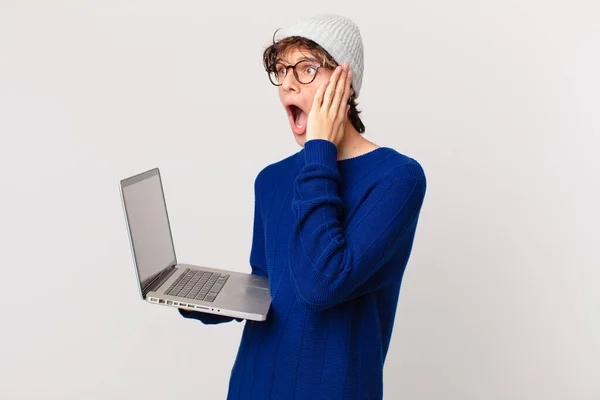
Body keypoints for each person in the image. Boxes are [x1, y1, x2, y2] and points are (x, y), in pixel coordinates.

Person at [179, 14, 427, 400]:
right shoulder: (271, 180)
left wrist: (319, 152)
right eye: (282, 70)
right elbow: (270, 284)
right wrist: (212, 298)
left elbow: (321, 283)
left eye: (307, 68)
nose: (289, 82)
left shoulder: (398, 178)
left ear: (344, 83)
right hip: (252, 385)